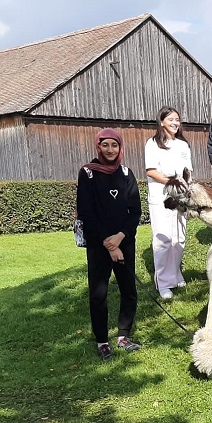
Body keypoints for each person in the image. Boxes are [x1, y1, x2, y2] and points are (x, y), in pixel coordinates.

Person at [76, 129, 142, 361]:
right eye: (105, 145)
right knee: (98, 293)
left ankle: (124, 335)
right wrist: (110, 245)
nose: (110, 150)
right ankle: (102, 341)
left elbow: (135, 211)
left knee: (128, 290)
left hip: (125, 242)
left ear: (120, 147)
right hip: (99, 245)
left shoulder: (126, 173)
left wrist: (121, 237)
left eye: (114, 145)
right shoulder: (88, 173)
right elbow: (87, 212)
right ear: (98, 147)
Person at [145, 106, 192, 299]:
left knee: (179, 237)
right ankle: (163, 283)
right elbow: (151, 171)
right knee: (164, 239)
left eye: (177, 120)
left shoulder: (183, 145)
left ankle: (175, 274)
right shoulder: (153, 143)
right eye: (171, 119)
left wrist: (185, 187)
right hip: (161, 196)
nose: (175, 123)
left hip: (180, 196)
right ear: (162, 122)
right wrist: (171, 182)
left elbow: (188, 171)